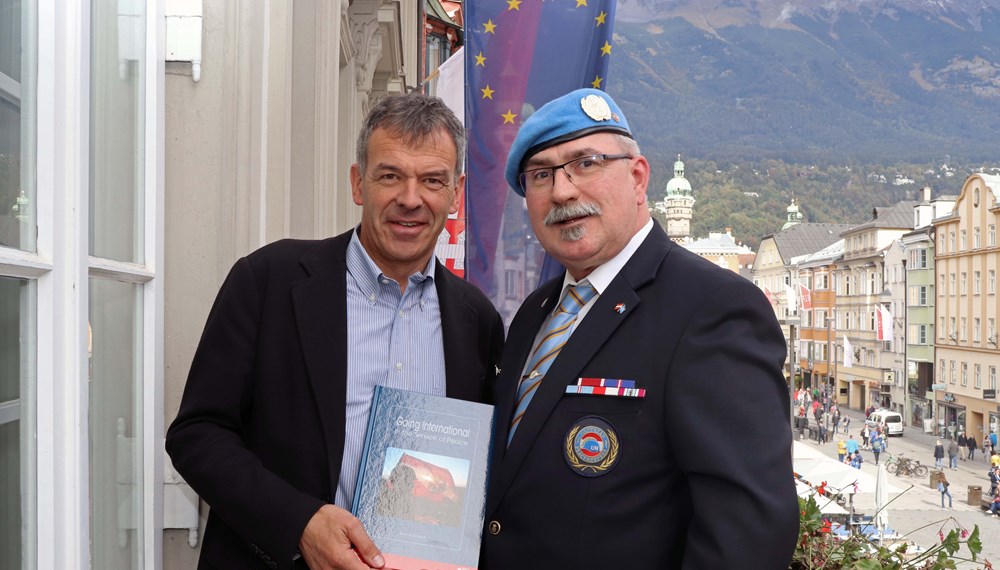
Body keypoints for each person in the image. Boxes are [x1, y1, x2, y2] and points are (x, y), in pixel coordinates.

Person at [164, 94, 505, 569]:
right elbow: (197, 435)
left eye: (431, 180)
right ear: (358, 183)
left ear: (456, 193)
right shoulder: (269, 282)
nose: (411, 198)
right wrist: (299, 524)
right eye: (390, 175)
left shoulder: (476, 320)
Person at [478, 88, 798, 568]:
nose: (563, 191)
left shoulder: (713, 307)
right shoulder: (536, 313)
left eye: (585, 163)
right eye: (541, 175)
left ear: (638, 177)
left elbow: (747, 535)